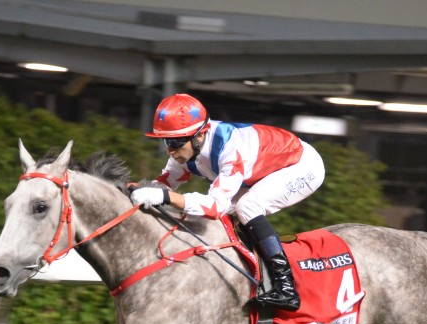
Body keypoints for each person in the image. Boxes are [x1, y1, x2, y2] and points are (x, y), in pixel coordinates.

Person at [130, 93, 325, 311]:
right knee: (219, 215)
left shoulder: (229, 148)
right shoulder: (188, 147)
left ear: (199, 136)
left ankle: (286, 287)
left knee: (246, 207)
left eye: (175, 143)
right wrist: (140, 189)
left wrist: (163, 197)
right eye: (166, 142)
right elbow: (167, 181)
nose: (170, 150)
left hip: (302, 166)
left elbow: (215, 206)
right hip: (259, 170)